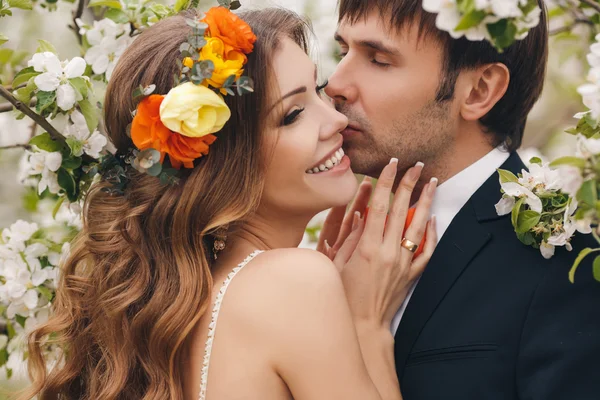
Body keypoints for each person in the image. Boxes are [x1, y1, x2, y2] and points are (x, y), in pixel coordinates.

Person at [21, 6, 438, 400]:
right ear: (222, 165)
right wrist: (368, 324)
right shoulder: (293, 282)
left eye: (319, 90)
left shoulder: (179, 313)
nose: (337, 120)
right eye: (292, 114)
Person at [320, 0, 600, 399]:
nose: (336, 83)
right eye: (342, 51)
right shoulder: (339, 244)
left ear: (479, 91)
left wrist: (365, 330)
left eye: (379, 59)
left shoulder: (569, 262)